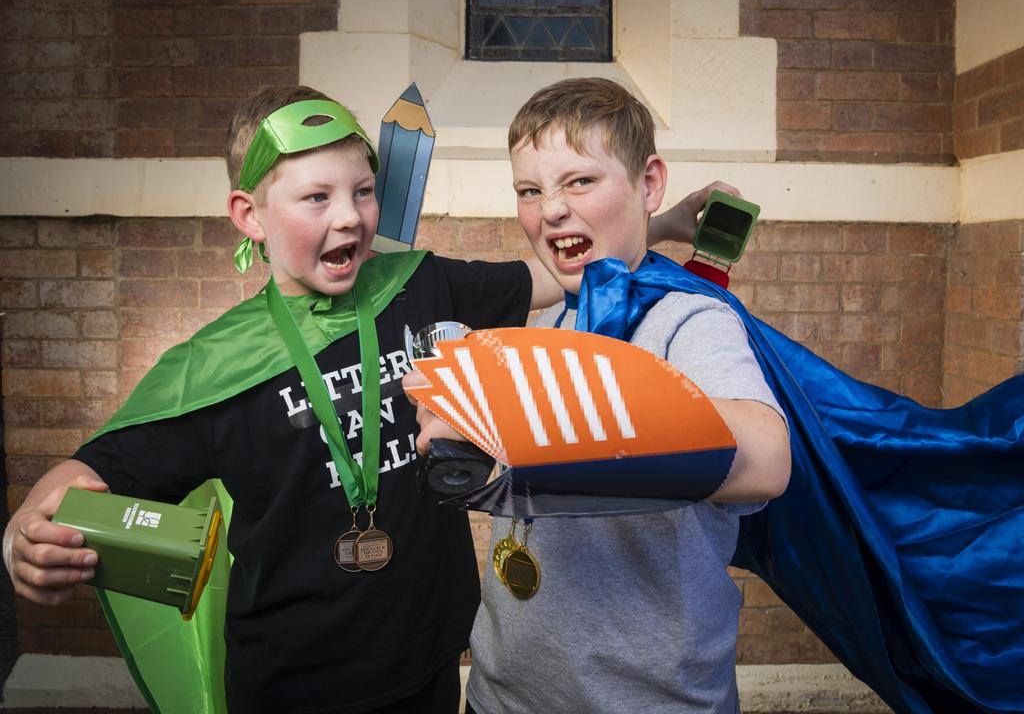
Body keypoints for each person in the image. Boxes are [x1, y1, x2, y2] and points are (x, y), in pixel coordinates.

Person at [1, 84, 726, 714]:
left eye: (362, 191)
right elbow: (94, 473)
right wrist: (26, 531)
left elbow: (557, 278)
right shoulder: (215, 367)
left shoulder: (419, 284)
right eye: (316, 198)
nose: (349, 218)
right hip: (294, 685)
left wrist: (657, 224)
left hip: (432, 658)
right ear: (249, 216)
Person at [409, 77, 792, 714]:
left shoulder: (689, 321)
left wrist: (539, 399)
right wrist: (470, 417)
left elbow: (766, 460)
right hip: (502, 693)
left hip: (650, 701)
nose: (550, 210)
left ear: (648, 182)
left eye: (579, 182)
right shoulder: (552, 314)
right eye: (530, 190)